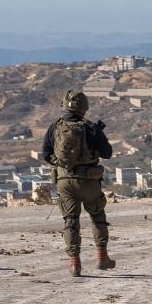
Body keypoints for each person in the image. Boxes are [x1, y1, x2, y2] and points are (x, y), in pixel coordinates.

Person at [43, 90, 114, 276]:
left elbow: (46, 154)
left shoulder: (55, 127)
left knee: (71, 221)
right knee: (97, 216)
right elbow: (107, 153)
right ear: (84, 107)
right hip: (89, 181)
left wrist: (63, 164)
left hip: (65, 181)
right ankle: (102, 257)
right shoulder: (91, 127)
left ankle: (74, 263)